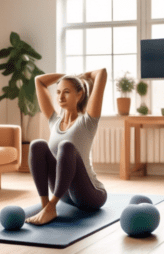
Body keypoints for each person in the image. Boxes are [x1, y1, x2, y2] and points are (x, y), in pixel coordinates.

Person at [25, 68, 108, 226]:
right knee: (37, 145)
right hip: (65, 195)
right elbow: (39, 81)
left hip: (90, 195)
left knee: (66, 146)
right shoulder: (54, 121)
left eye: (67, 91)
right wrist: (66, 75)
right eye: (58, 92)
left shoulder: (88, 121)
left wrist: (82, 76)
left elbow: (102, 73)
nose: (60, 97)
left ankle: (51, 206)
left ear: (79, 94)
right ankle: (46, 206)